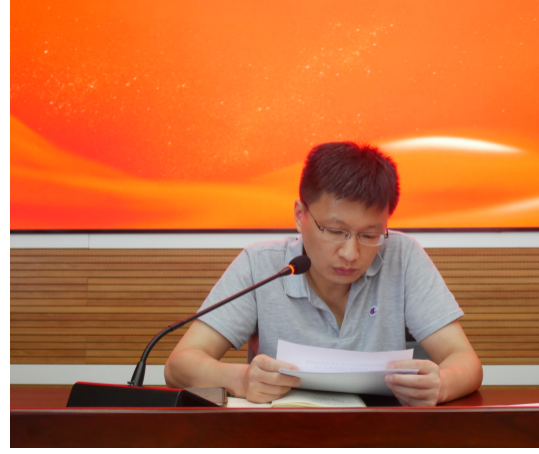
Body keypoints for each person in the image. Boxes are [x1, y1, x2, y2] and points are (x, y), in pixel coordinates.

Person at [164, 141, 482, 406]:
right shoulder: (260, 264)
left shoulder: (403, 256)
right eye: (335, 231)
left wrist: (441, 384)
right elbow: (179, 365)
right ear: (300, 215)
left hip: (381, 438)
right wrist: (242, 379)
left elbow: (464, 360)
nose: (350, 253)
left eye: (370, 234)